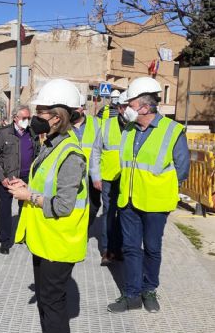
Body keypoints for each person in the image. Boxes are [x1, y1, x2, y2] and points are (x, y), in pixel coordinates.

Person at [8, 78, 88, 333]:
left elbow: (64, 204)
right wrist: (25, 188)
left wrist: (30, 196)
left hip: (59, 243)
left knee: (54, 309)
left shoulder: (71, 154)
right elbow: (43, 185)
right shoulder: (50, 144)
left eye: (41, 111)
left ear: (57, 115)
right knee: (45, 302)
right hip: (43, 239)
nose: (36, 116)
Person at [107, 77, 190, 314]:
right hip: (129, 200)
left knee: (152, 248)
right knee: (131, 249)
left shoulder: (173, 131)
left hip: (155, 203)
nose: (127, 109)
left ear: (144, 107)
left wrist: (160, 188)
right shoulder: (130, 130)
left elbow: (182, 169)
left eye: (131, 105)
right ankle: (132, 294)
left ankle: (149, 290)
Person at [0, 105, 40, 254]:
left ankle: (23, 235)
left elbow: (37, 154)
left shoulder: (32, 133)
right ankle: (4, 241)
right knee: (5, 211)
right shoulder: (4, 134)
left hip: (26, 179)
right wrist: (2, 177)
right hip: (8, 179)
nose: (27, 121)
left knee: (26, 209)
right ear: (15, 118)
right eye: (24, 118)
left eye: (28, 118)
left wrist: (34, 176)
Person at [91, 91, 129, 265]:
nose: (129, 110)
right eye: (126, 106)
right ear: (120, 108)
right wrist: (96, 176)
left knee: (125, 214)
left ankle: (119, 248)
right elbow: (96, 151)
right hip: (108, 178)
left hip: (128, 178)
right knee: (108, 212)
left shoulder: (137, 126)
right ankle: (106, 250)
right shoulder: (106, 125)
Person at [71, 92, 102, 228]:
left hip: (91, 174)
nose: (73, 111)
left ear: (82, 108)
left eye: (75, 108)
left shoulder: (97, 123)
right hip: (71, 172)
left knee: (94, 206)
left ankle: (85, 228)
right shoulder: (63, 125)